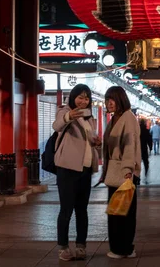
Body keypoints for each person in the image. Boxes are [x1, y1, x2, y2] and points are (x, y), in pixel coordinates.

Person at [52, 84, 101, 262]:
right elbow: (56, 126)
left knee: (82, 210)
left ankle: (81, 245)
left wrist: (97, 143)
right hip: (67, 169)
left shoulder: (90, 117)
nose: (83, 101)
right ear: (73, 97)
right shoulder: (64, 111)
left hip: (85, 169)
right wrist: (68, 117)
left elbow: (89, 141)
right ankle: (63, 247)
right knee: (66, 210)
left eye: (86, 98)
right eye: (80, 97)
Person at [101, 86, 141, 259]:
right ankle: (119, 246)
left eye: (112, 99)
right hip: (115, 171)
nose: (109, 103)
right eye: (107, 99)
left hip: (124, 172)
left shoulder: (128, 118)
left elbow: (129, 146)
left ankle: (124, 248)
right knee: (116, 211)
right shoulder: (115, 119)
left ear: (121, 100)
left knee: (123, 212)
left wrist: (127, 171)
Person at [139, 119, 153, 183]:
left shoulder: (137, 131)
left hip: (137, 149)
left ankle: (137, 176)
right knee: (146, 162)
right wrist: (150, 148)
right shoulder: (146, 131)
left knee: (137, 162)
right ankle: (146, 174)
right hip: (144, 148)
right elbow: (149, 140)